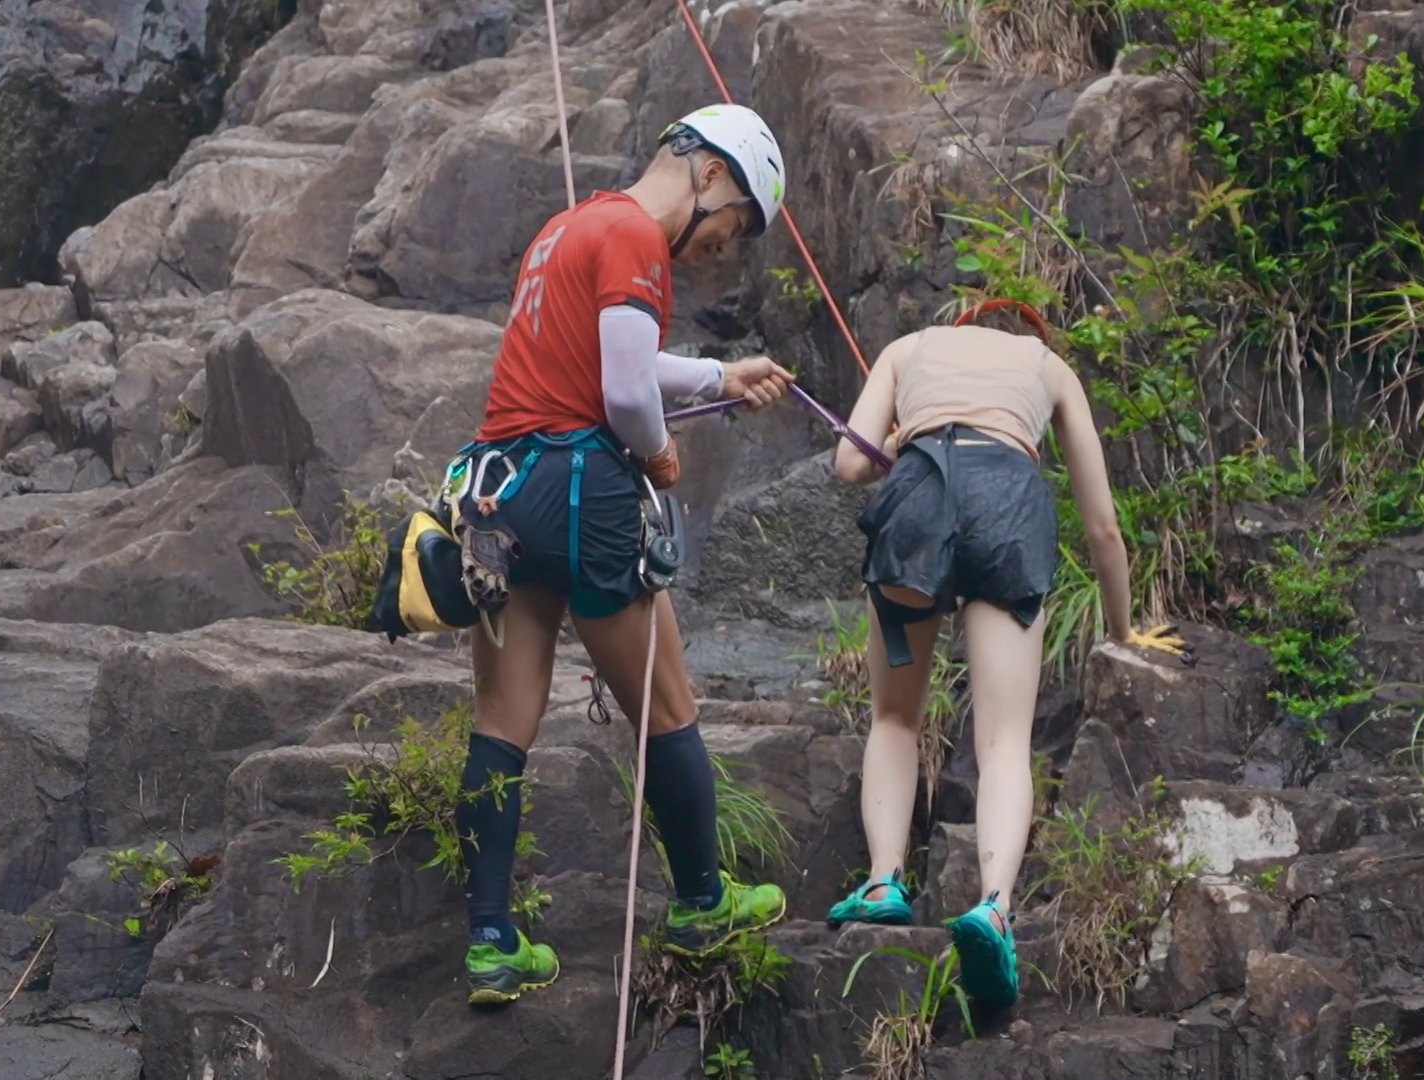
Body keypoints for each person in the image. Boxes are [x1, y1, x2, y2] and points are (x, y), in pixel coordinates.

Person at [448, 104, 797, 1007]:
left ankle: (490, 941)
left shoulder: (571, 229)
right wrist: (656, 454)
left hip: (497, 491)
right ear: (712, 174)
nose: (718, 249)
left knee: (501, 720)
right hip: (580, 488)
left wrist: (724, 375)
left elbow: (616, 356)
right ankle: (699, 904)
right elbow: (624, 389)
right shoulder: (638, 236)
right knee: (667, 704)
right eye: (731, 228)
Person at [823, 301, 1187, 1008]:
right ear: (1027, 337)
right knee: (1003, 741)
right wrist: (1122, 630)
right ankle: (992, 905)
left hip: (917, 494)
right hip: (1008, 508)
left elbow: (846, 463)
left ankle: (883, 880)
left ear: (963, 327)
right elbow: (1104, 528)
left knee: (895, 718)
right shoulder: (1050, 368)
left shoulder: (909, 345)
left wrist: (903, 444)